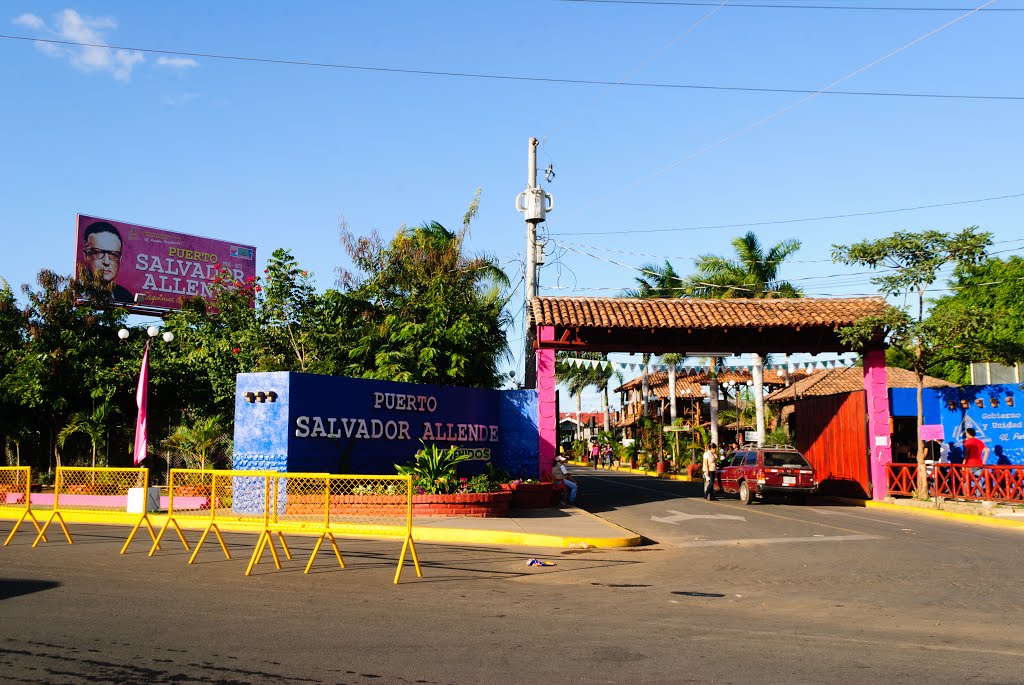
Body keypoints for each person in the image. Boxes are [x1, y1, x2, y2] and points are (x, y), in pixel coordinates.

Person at [82, 221, 132, 303]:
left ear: (120, 259)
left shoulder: (126, 297)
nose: (106, 262)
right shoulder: (75, 291)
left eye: (113, 255)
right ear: (86, 255)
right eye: (98, 253)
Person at [963, 427, 989, 497]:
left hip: (970, 464)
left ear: (968, 433)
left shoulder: (968, 442)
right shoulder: (979, 441)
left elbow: (967, 453)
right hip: (979, 464)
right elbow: (986, 451)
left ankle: (966, 495)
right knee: (978, 480)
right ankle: (979, 495)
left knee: (966, 480)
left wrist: (963, 463)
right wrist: (983, 461)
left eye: (966, 433)